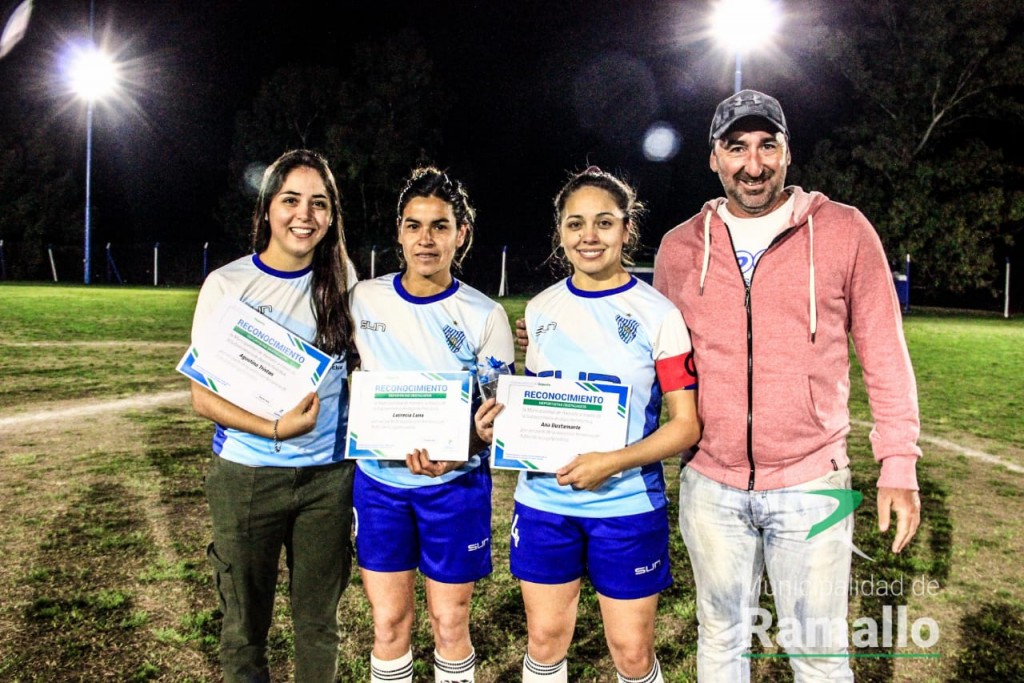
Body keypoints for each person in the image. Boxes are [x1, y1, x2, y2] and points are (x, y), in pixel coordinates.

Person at [653, 89, 923, 681]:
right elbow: (652, 354)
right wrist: (554, 347)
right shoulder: (679, 247)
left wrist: (899, 464)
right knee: (721, 640)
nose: (753, 164)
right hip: (711, 483)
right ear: (714, 158)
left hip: (811, 481)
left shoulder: (845, 230)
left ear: (787, 152)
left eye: (766, 146)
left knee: (819, 655)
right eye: (737, 148)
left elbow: (884, 351)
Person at [478, 167, 700, 683]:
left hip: (626, 506)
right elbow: (540, 407)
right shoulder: (540, 310)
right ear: (560, 232)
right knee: (545, 642)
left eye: (604, 222)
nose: (589, 236)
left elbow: (685, 426)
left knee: (631, 652)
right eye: (575, 224)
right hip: (545, 504)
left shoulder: (659, 315)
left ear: (626, 229)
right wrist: (500, 429)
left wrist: (613, 462)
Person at [188, 149, 358, 682]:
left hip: (327, 481)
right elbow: (203, 397)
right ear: (267, 209)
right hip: (248, 476)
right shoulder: (227, 284)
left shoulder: (344, 280)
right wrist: (275, 428)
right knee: (244, 627)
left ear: (331, 216)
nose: (304, 215)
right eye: (291, 200)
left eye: (319, 203)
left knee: (319, 626)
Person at [348, 167, 516, 683]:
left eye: (440, 226)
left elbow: (497, 416)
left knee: (450, 622)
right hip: (380, 486)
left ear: (460, 234)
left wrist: (461, 448)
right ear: (399, 232)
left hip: (454, 487)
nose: (426, 238)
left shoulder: (484, 315)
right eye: (414, 225)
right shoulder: (362, 299)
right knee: (388, 622)